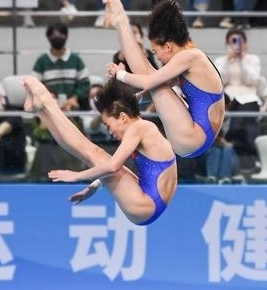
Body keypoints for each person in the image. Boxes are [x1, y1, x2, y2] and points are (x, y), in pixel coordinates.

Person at [25, 75, 177, 226]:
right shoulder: (145, 129)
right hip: (150, 203)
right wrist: (95, 185)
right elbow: (119, 169)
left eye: (108, 125)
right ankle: (42, 110)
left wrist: (77, 176)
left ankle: (47, 103)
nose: (110, 132)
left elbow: (113, 167)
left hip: (145, 205)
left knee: (93, 153)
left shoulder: (139, 128)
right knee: (94, 153)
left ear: (122, 117)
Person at [104, 0, 226, 158]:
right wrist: (134, 100)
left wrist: (120, 74)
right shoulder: (190, 56)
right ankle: (121, 24)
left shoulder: (189, 56)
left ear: (168, 46)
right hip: (198, 136)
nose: (158, 58)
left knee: (151, 76)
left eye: (155, 52)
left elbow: (148, 82)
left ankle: (122, 21)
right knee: (158, 84)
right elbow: (156, 87)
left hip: (194, 138)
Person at [212, 29, 262, 170]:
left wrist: (242, 61)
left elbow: (251, 80)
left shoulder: (252, 59)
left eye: (239, 41)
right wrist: (228, 60)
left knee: (244, 125)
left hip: (248, 97)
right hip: (228, 98)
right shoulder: (221, 61)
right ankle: (236, 159)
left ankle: (245, 159)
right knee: (238, 124)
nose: (236, 45)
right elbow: (219, 81)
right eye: (232, 42)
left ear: (245, 43)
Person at [31, 22, 90, 112]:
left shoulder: (76, 60)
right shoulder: (41, 61)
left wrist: (74, 98)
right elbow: (34, 84)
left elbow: (85, 84)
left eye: (60, 35)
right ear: (48, 38)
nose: (57, 38)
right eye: (54, 36)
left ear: (66, 36)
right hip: (48, 107)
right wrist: (47, 96)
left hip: (73, 106)